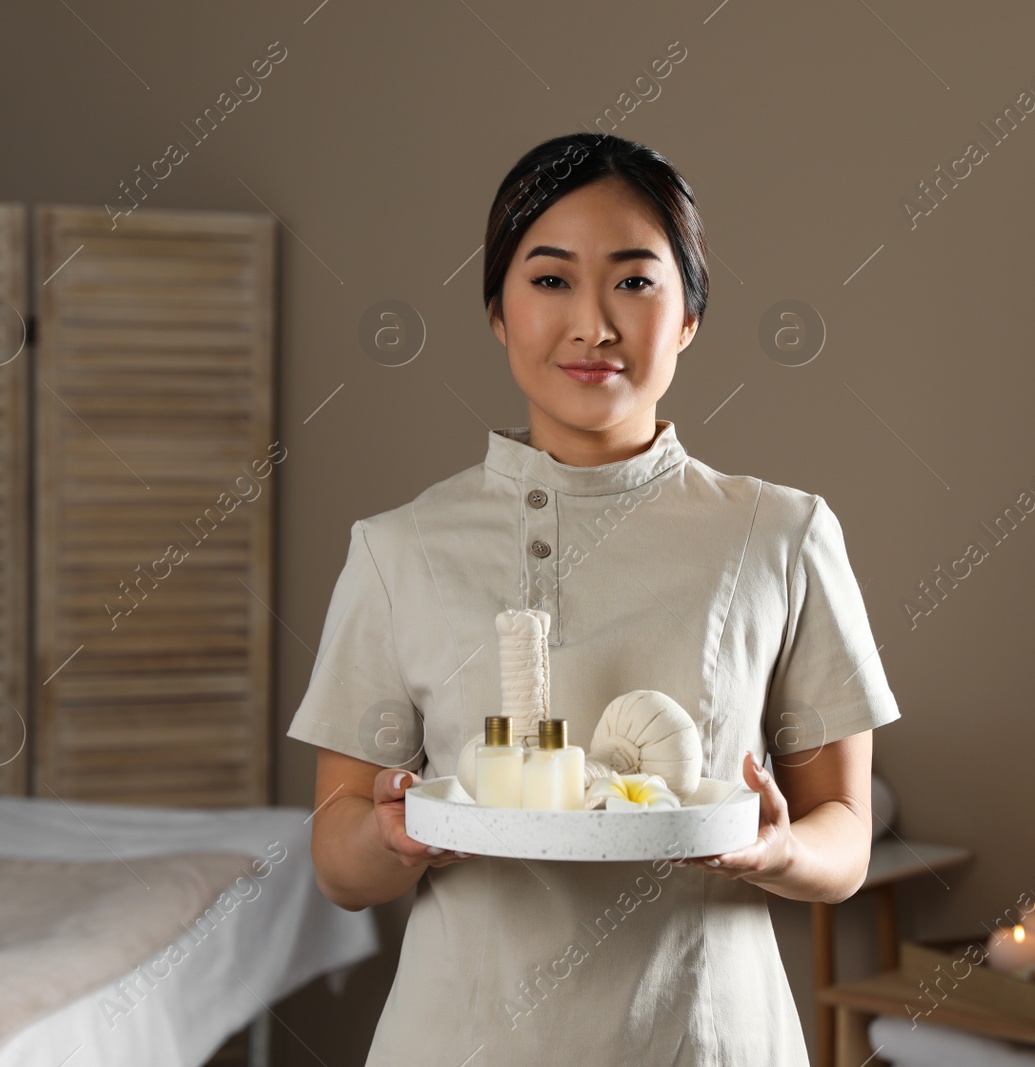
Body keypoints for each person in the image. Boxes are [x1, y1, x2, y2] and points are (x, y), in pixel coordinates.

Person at [287, 132, 902, 1066]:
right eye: (549, 281)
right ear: (496, 310)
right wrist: (394, 835)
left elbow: (844, 838)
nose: (592, 325)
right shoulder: (396, 547)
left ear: (690, 316)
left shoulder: (782, 533)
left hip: (707, 1035)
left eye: (634, 281)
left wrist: (775, 849)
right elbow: (338, 858)